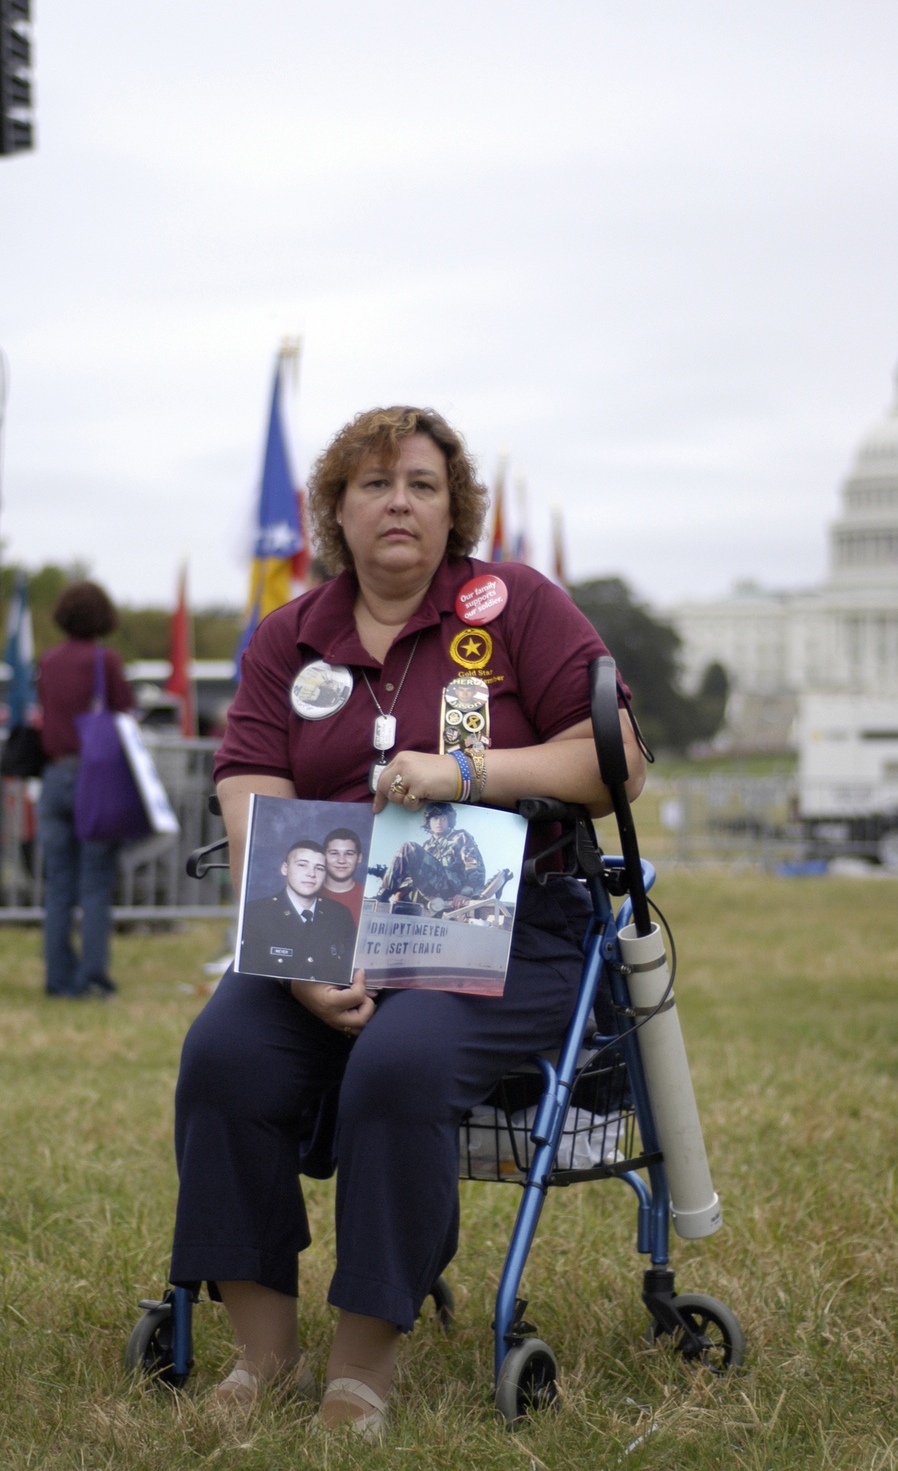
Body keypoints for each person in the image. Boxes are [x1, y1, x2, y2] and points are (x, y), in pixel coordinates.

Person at [170, 405, 646, 1437]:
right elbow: (249, 796)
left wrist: (466, 771)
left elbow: (617, 760)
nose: (400, 503)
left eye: (423, 485)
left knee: (399, 1062)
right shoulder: (287, 635)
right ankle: (264, 1353)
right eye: (375, 484)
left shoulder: (516, 604)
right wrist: (299, 960)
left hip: (506, 922)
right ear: (336, 509)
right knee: (222, 1058)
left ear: (453, 507)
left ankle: (362, 1368)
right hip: (328, 919)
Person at [36, 581, 134, 998]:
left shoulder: (48, 660)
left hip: (53, 777)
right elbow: (125, 709)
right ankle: (92, 977)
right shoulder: (103, 659)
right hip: (94, 779)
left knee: (59, 885)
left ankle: (58, 978)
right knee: (95, 884)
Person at [240, 838, 356, 984]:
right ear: (285, 869)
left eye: (319, 868)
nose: (311, 874)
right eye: (302, 865)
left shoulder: (339, 915)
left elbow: (350, 971)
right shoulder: (256, 913)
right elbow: (250, 978)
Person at [375, 801, 486, 912]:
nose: (439, 822)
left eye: (443, 818)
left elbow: (475, 868)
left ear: (449, 820)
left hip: (452, 889)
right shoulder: (426, 846)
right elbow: (413, 875)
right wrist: (399, 895)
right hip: (431, 893)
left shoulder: (460, 837)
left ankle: (382, 896)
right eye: (435, 819)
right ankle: (382, 897)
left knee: (409, 847)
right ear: (429, 822)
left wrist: (465, 893)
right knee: (409, 853)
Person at [320, 827, 366, 925]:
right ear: (323, 856)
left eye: (349, 854)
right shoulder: (308, 893)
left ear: (359, 858)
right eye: (334, 853)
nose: (341, 860)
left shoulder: (367, 898)